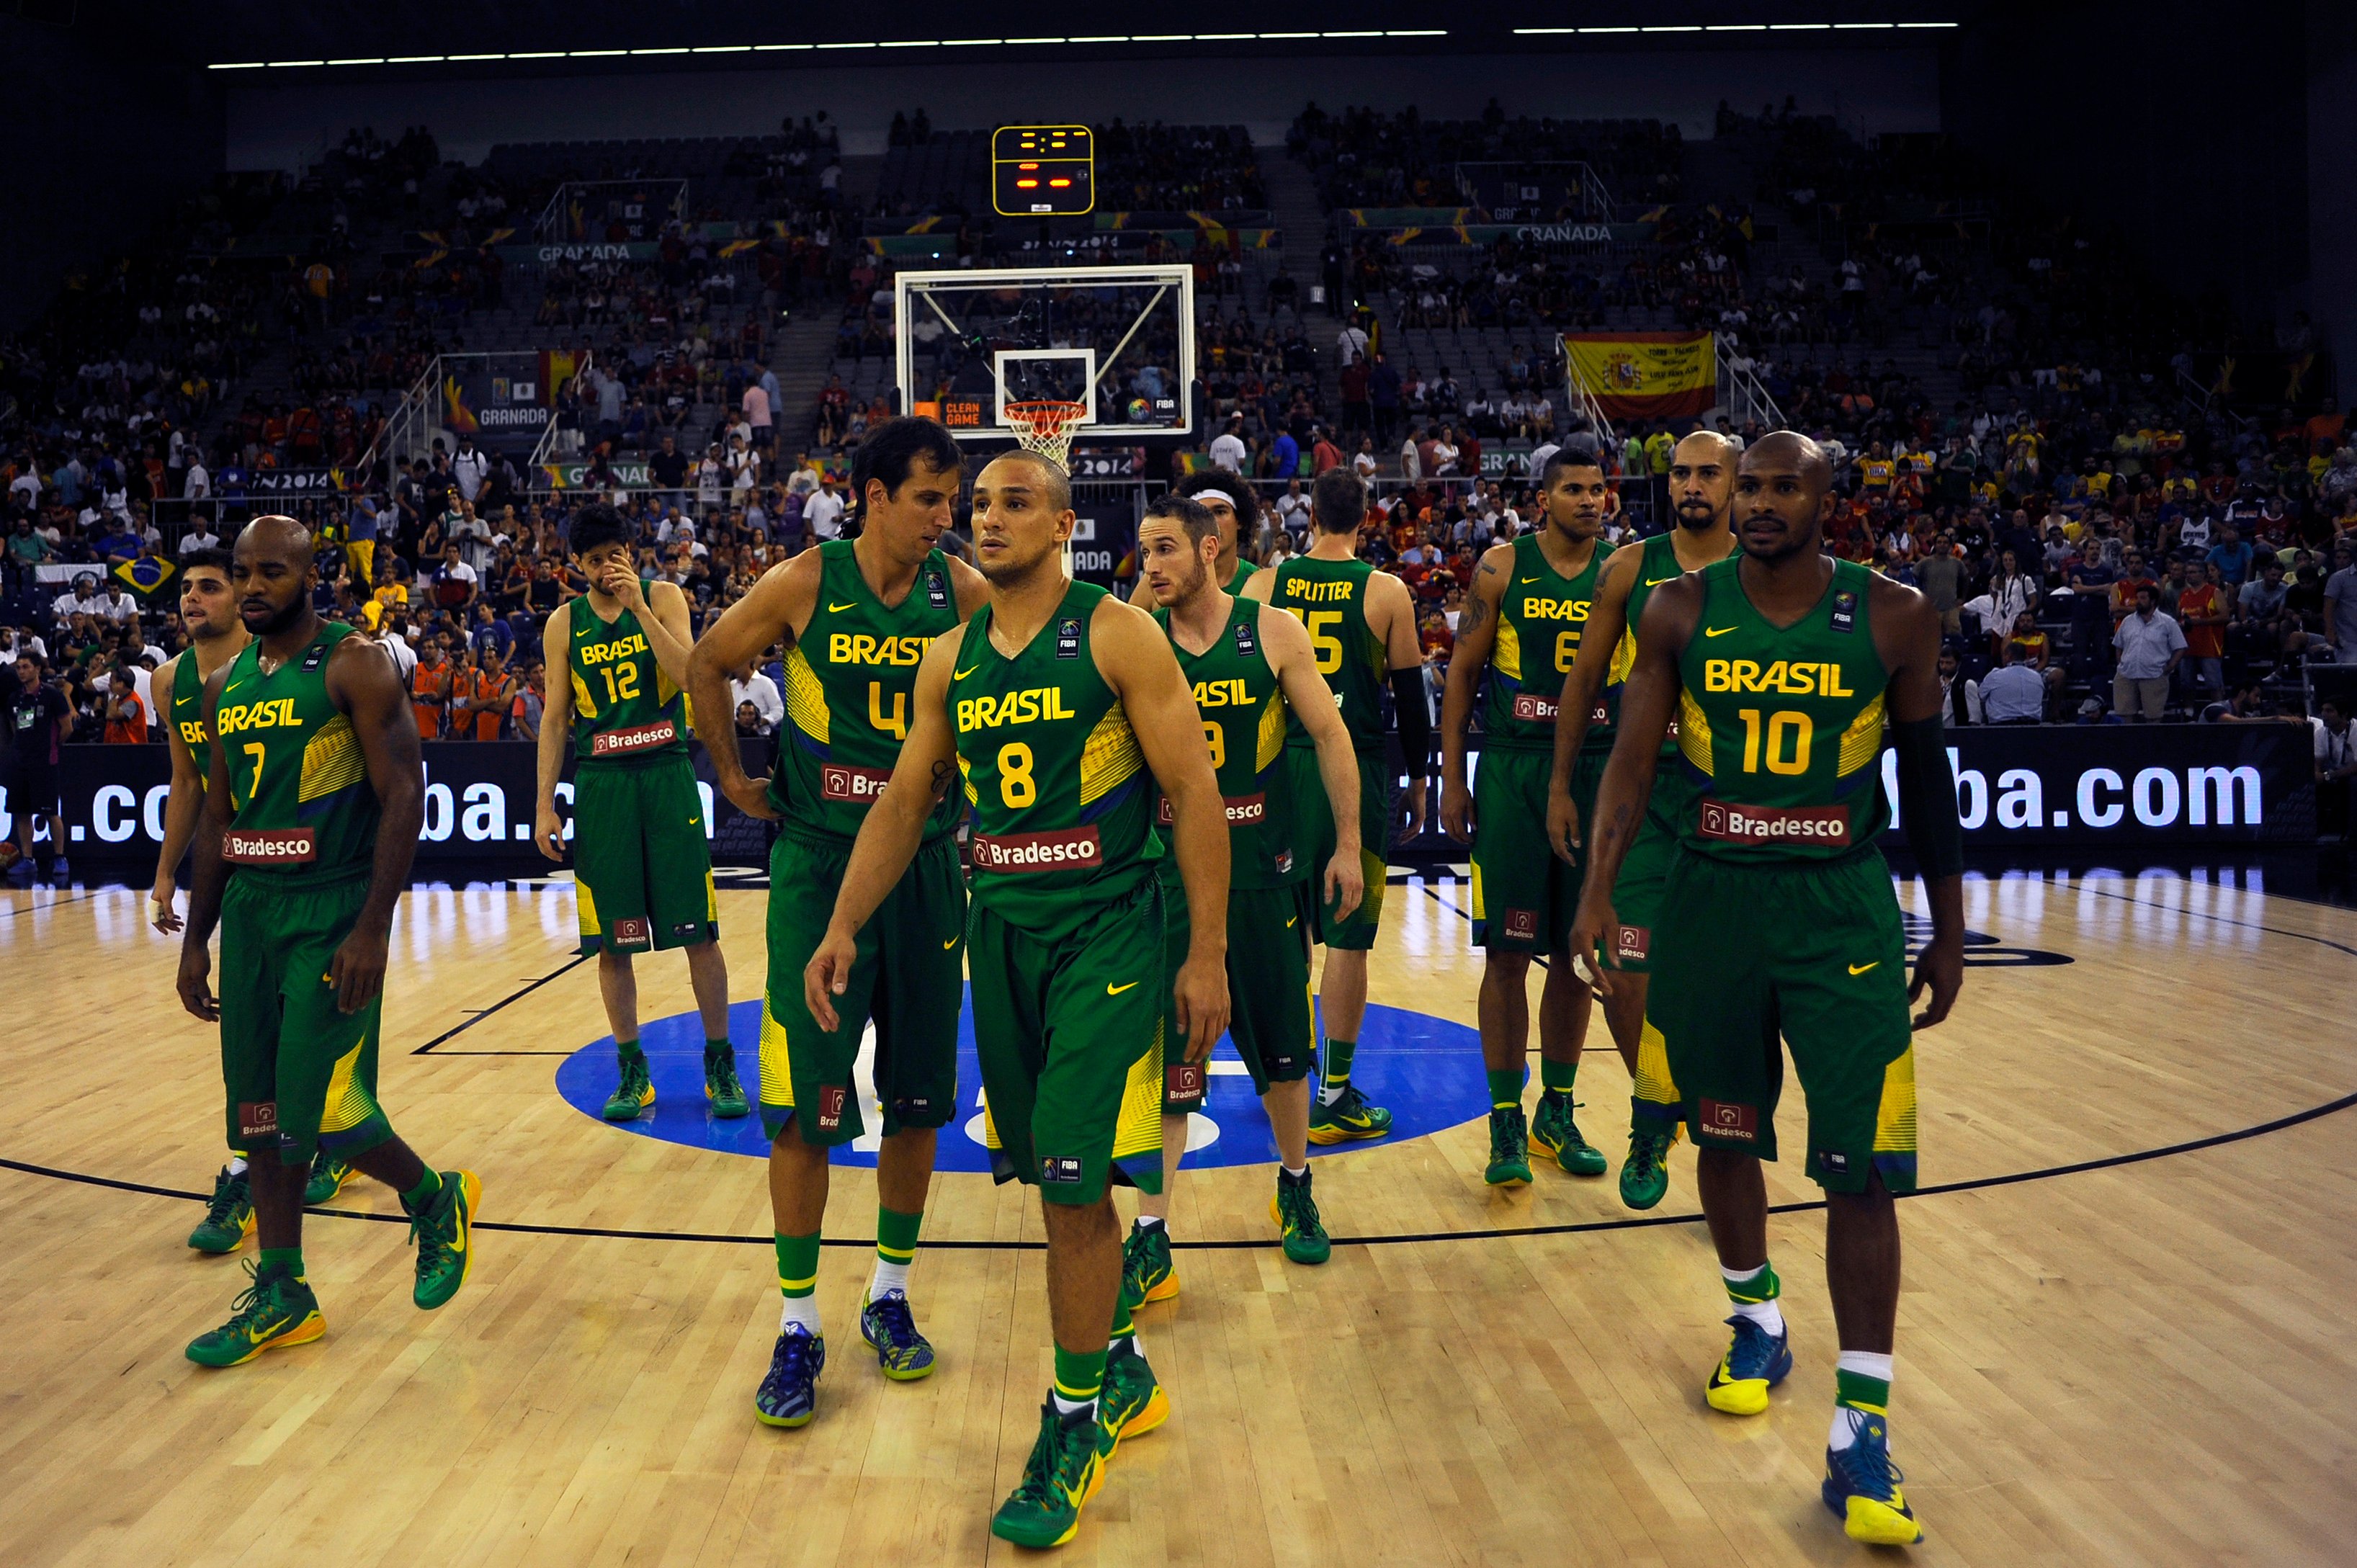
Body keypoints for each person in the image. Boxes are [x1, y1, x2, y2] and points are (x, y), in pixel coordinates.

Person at [803, 445, 1230, 1548]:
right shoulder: (947, 659)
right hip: (1000, 932)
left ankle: (1073, 1418)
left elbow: (1192, 792)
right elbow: (905, 801)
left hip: (1109, 934)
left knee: (1075, 1188)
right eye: (978, 504)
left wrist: (1208, 955)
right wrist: (842, 922)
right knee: (1053, 1183)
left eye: (1014, 502)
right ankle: (1121, 1369)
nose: (986, 519)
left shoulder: (1116, 632)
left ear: (1064, 523)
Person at [1568, 432, 1964, 1548]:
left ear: (1827, 498)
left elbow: (1926, 776)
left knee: (1863, 1171)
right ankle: (1757, 1317)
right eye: (1751, 485)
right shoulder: (1679, 611)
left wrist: (1949, 922)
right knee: (1726, 1137)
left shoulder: (1892, 615)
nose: (1761, 502)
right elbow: (1634, 764)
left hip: (1840, 909)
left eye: (1786, 485)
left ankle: (1862, 1429)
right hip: (1711, 903)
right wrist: (1598, 890)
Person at [685, 418, 988, 1430]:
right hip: (818, 861)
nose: (949, 519)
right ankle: (800, 1322)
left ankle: (888, 1293)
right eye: (931, 500)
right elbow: (707, 662)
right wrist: (733, 776)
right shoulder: (803, 583)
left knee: (915, 1103)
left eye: (956, 501)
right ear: (871, 496)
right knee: (804, 1107)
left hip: (927, 870)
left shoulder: (969, 595)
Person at [173, 515, 480, 1367]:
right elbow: (219, 818)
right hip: (254, 914)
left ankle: (432, 1197)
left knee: (324, 1112)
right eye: (242, 572)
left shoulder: (355, 661)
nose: (253, 585)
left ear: (311, 573)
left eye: (271, 571)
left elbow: (405, 791)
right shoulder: (222, 685)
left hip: (332, 909)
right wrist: (196, 940)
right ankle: (284, 1289)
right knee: (261, 1119)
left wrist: (374, 925)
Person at [1124, 490, 1367, 1302]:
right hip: (1161, 874)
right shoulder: (1131, 635)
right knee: (1167, 1058)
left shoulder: (1270, 630)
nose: (1149, 565)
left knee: (1283, 1051)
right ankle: (1151, 1233)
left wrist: (1349, 844)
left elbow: (1330, 735)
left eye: (1164, 549)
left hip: (1259, 869)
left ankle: (1295, 1179)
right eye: (1142, 551)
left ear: (1209, 550)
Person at [1542, 430, 1741, 1209]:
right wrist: (1561, 784)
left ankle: (1723, 1136)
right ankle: (1653, 1116)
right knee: (1622, 970)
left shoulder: (1763, 568)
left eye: (1707, 473)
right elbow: (1583, 679)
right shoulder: (1631, 565)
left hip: (1729, 800)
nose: (1691, 484)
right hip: (1643, 794)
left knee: (1726, 985)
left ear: (1737, 483)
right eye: (1680, 472)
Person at [534, 503, 742, 1124]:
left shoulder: (666, 598)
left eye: (614, 556)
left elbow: (688, 676)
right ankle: (634, 1071)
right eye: (594, 561)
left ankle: (720, 1063)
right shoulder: (562, 623)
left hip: (665, 773)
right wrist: (544, 803)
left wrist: (641, 609)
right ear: (577, 564)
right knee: (610, 943)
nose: (606, 569)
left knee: (698, 933)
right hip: (601, 784)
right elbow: (553, 717)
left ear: (631, 550)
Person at [1440, 449, 1614, 1186]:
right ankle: (1506, 1116)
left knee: (1581, 956)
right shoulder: (1501, 566)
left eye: (1597, 488)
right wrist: (1451, 775)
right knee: (1506, 956)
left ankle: (1558, 1109)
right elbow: (1462, 672)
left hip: (1596, 771)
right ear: (1543, 499)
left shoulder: (1624, 570)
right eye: (1572, 489)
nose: (1587, 500)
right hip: (1513, 769)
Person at [1243, 467, 1431, 1145]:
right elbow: (1411, 697)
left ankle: (1282, 1077)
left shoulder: (1265, 583)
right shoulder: (1385, 591)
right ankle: (1332, 1090)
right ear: (1366, 518)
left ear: (1310, 512)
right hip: (1352, 768)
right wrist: (1419, 780)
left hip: (1278, 772)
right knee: (1349, 940)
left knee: (1283, 937)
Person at [4, 653, 71, 878]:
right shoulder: (15, 698)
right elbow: (16, 727)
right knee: (22, 812)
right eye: (19, 667)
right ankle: (28, 858)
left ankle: (60, 857)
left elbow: (66, 727)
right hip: (20, 762)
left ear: (37, 669)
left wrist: (51, 746)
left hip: (45, 762)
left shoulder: (52, 695)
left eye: (26, 667)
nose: (21, 671)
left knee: (51, 812)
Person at [2111, 586, 2184, 722]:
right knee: (2124, 715)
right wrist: (2121, 662)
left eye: (2143, 598)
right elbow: (2118, 645)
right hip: (2127, 674)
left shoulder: (2167, 622)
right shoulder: (2128, 621)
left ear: (2153, 601)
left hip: (2154, 675)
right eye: (2137, 598)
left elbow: (2180, 647)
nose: (2138, 601)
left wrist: (2170, 667)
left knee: (2153, 717)